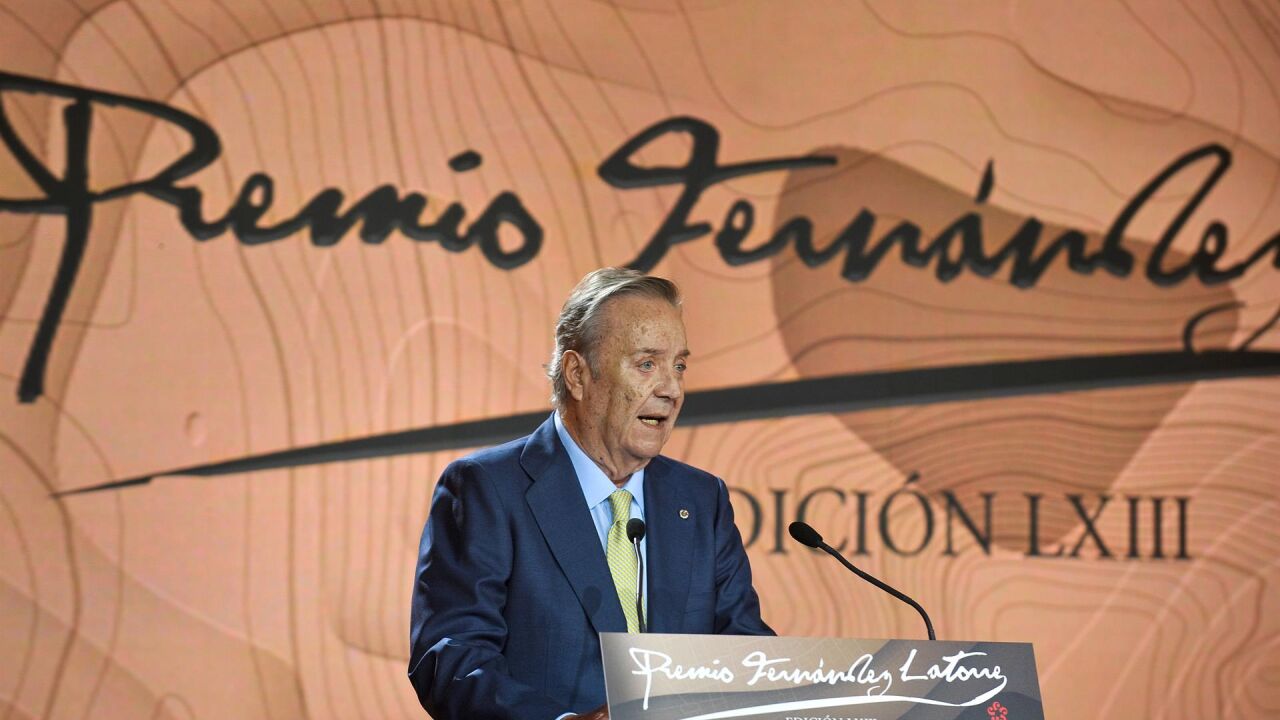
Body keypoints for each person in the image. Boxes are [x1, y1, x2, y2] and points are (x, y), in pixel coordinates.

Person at [408, 268, 773, 719]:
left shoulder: (700, 499)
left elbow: (745, 652)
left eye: (679, 366)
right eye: (647, 364)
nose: (672, 389)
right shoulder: (488, 489)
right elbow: (452, 658)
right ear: (578, 374)